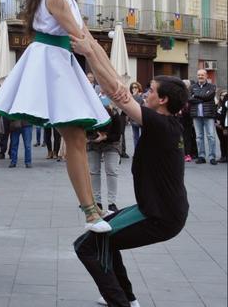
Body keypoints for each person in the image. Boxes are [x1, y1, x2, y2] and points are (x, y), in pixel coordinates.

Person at [0, 0, 111, 233]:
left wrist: (113, 77)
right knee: (75, 137)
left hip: (60, 62)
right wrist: (110, 78)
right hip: (51, 64)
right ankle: (90, 211)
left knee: (77, 138)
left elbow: (90, 41)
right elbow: (83, 39)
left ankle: (92, 207)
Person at [70, 29, 189, 307]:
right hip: (155, 209)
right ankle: (128, 299)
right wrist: (94, 47)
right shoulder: (167, 124)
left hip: (160, 216)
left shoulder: (161, 125)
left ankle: (119, 302)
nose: (145, 93)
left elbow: (116, 92)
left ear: (163, 101)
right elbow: (117, 84)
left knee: (87, 245)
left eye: (151, 91)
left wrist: (89, 53)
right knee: (103, 239)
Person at [87, 101, 124, 215]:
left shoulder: (114, 114)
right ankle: (97, 202)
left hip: (112, 142)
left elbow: (118, 134)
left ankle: (112, 203)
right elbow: (85, 131)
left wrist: (104, 137)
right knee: (93, 171)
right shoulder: (90, 113)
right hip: (93, 143)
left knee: (112, 170)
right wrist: (90, 138)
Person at [189, 69, 219, 164]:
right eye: (199, 75)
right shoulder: (192, 87)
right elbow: (189, 98)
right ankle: (201, 156)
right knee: (199, 137)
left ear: (206, 76)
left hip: (208, 114)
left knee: (211, 136)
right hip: (196, 114)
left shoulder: (212, 86)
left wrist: (196, 96)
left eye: (202, 75)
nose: (200, 77)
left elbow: (209, 96)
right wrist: (202, 97)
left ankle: (212, 157)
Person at [128, 82, 144, 147]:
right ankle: (136, 153)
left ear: (138, 88)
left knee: (143, 137)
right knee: (135, 137)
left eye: (135, 87)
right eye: (132, 88)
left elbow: (140, 104)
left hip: (141, 119)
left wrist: (135, 96)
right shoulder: (130, 96)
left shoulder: (143, 96)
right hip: (133, 119)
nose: (134, 89)